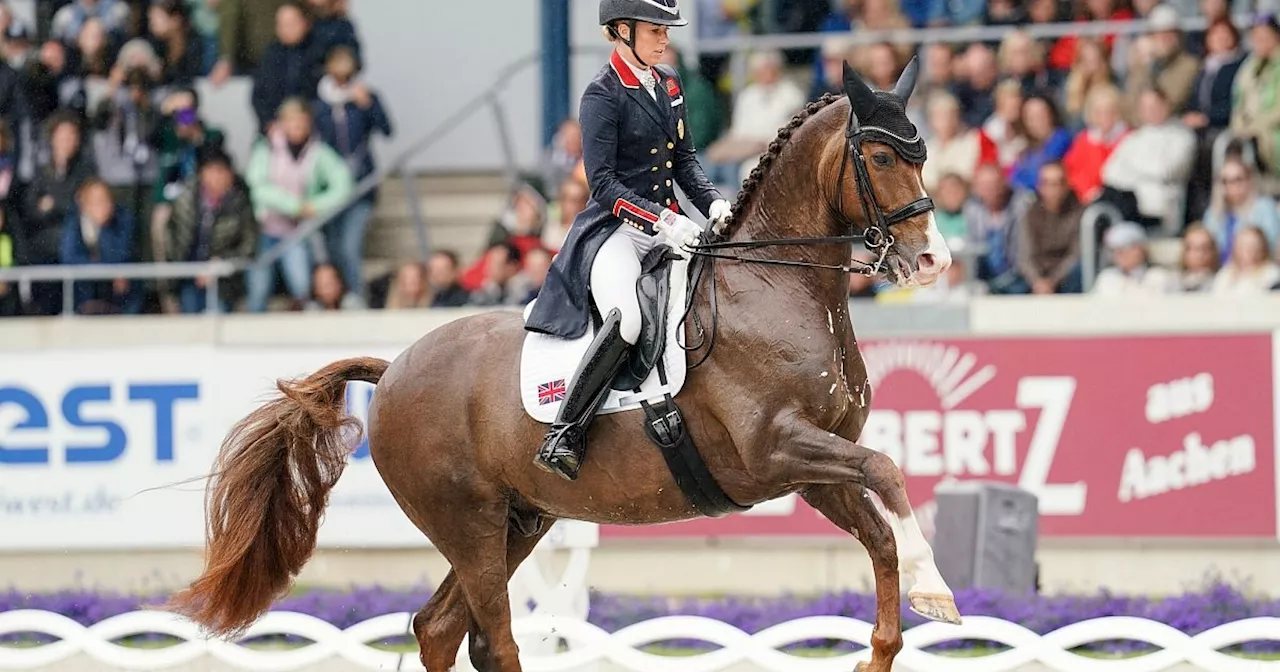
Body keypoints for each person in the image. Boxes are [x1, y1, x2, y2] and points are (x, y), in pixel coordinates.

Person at [523, 0, 732, 482]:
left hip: (669, 226)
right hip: (616, 232)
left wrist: (714, 203)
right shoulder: (602, 94)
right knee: (630, 321)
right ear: (622, 31)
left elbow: (685, 161)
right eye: (655, 30)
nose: (664, 39)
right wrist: (661, 220)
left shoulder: (670, 84)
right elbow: (603, 183)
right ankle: (565, 431)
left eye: (665, 30)